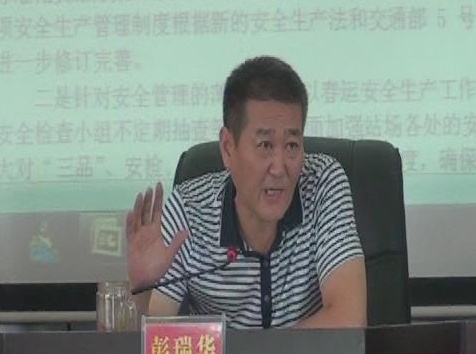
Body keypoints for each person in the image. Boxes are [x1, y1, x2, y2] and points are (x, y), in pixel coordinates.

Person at [126, 56, 367, 329]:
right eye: (265, 145)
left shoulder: (323, 182)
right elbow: (157, 336)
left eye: (291, 145)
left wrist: (246, 352)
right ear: (228, 148)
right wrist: (142, 290)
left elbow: (349, 319)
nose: (279, 168)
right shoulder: (189, 211)